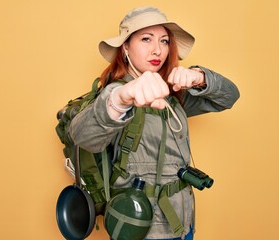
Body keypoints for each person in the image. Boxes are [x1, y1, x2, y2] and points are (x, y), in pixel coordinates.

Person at [67, 6, 240, 240]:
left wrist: (200, 77)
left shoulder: (171, 94)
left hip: (182, 221)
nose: (157, 49)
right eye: (146, 39)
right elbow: (82, 135)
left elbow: (229, 97)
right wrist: (120, 100)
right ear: (126, 46)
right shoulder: (117, 92)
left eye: (164, 41)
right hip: (141, 225)